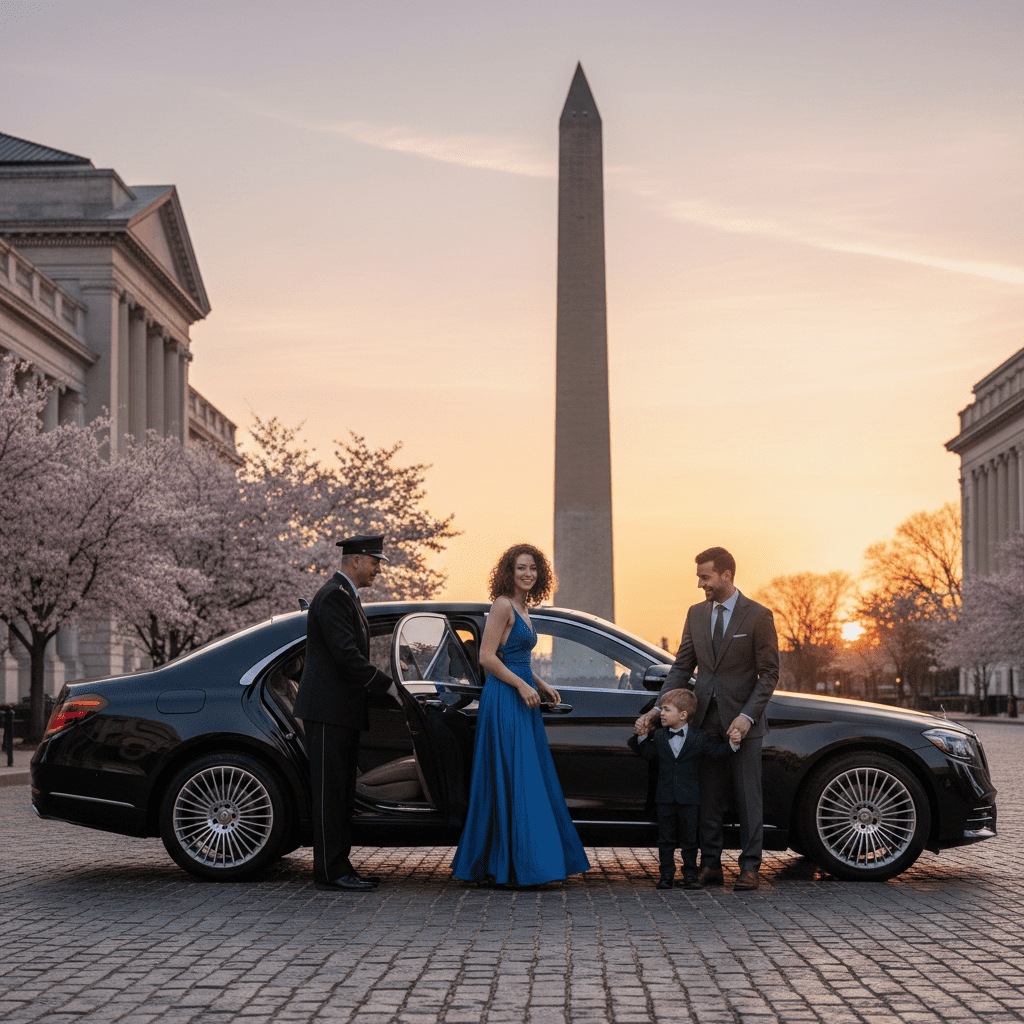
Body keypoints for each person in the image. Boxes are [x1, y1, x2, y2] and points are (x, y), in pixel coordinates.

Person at [635, 546, 779, 891]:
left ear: (726, 575)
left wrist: (746, 717)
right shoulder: (695, 614)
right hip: (703, 722)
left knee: (748, 798)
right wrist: (658, 709)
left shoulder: (758, 616)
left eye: (705, 577)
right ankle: (710, 865)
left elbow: (769, 674)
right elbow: (682, 667)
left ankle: (750, 867)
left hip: (742, 724)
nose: (700, 584)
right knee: (708, 799)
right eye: (699, 577)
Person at [451, 543, 590, 887]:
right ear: (508, 573)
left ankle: (524, 861)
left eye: (533, 568)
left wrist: (539, 683)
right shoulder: (502, 605)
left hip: (521, 696)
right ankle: (508, 865)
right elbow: (486, 657)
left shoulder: (524, 607)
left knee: (526, 777)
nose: (528, 574)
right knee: (513, 776)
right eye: (521, 568)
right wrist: (523, 686)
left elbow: (516, 658)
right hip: (504, 699)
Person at [294, 534, 394, 892]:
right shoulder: (335, 596)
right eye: (375, 562)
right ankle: (331, 873)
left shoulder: (344, 595)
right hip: (328, 711)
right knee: (330, 795)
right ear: (356, 560)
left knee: (339, 793)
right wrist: (387, 686)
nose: (378, 569)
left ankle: (339, 866)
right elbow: (346, 655)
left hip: (338, 711)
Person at [628, 689, 740, 890]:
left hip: (689, 799)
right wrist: (642, 736)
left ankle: (690, 875)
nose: (661, 714)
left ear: (682, 715)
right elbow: (649, 755)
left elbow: (715, 752)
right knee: (666, 840)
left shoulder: (699, 737)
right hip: (664, 798)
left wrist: (732, 744)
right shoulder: (659, 736)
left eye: (666, 710)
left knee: (690, 840)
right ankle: (666, 876)